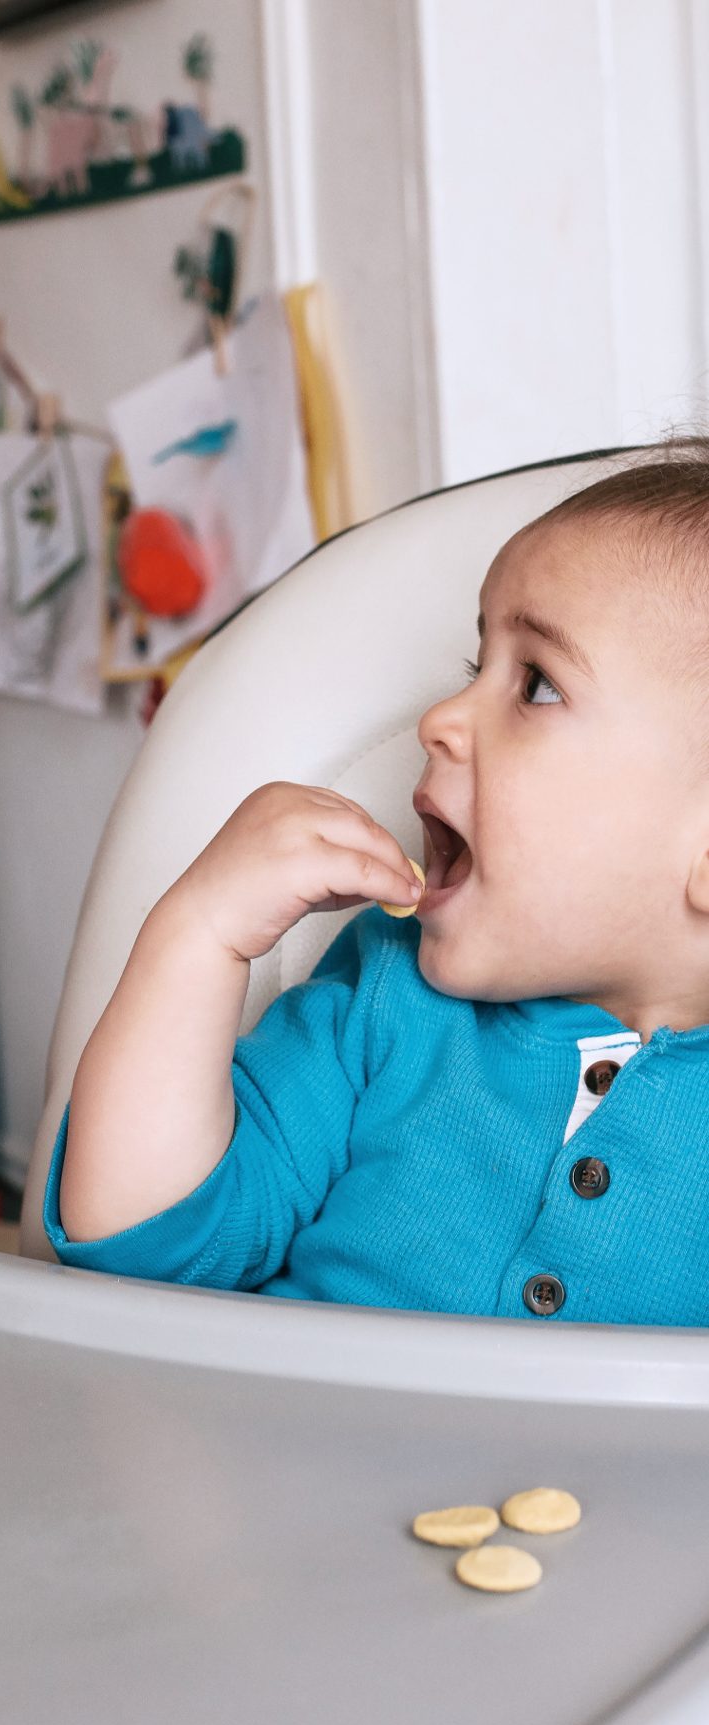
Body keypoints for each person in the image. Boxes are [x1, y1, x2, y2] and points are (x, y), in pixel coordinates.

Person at [47, 444, 709, 1325]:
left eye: (537, 685)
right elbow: (142, 1249)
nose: (438, 720)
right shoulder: (381, 1000)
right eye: (477, 671)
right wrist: (198, 935)